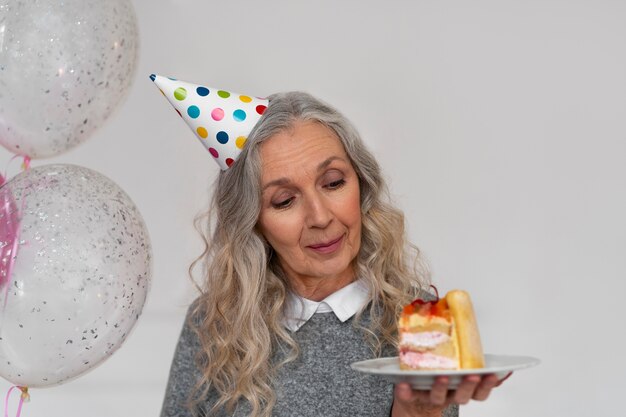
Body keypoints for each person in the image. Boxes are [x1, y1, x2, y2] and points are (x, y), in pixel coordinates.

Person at [159, 91, 504, 417]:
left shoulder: (419, 325)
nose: (321, 217)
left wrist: (417, 414)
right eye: (284, 200)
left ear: (361, 185)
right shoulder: (214, 324)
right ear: (253, 222)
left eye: (334, 182)